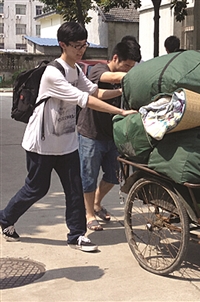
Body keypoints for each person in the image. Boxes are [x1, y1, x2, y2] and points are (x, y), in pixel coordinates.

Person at [0, 22, 137, 252]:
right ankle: (5, 218)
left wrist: (123, 92)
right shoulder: (54, 72)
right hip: (42, 144)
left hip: (66, 143)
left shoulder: (76, 69)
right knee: (36, 189)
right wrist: (121, 111)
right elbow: (85, 100)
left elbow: (95, 91)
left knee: (74, 189)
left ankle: (76, 235)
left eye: (84, 45)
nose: (81, 50)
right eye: (76, 45)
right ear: (62, 45)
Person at [77, 39, 141, 231]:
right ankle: (88, 214)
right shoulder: (98, 70)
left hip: (113, 136)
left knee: (114, 176)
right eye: (126, 66)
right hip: (91, 134)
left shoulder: (125, 78)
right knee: (88, 176)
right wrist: (129, 80)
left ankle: (96, 203)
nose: (128, 71)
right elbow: (110, 79)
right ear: (115, 58)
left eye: (132, 67)